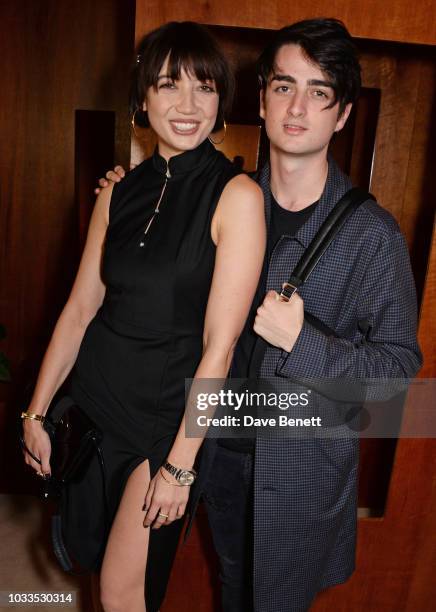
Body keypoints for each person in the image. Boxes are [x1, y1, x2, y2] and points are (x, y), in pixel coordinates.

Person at [97, 18, 422, 612]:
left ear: (342, 113)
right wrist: (125, 191)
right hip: (209, 451)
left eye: (319, 92)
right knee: (223, 587)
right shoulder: (223, 198)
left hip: (299, 472)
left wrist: (304, 340)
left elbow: (397, 377)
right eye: (282, 86)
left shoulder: (372, 237)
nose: (298, 107)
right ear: (262, 98)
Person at [20, 21, 265, 612]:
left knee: (123, 591)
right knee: (90, 561)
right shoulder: (118, 191)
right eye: (167, 85)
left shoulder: (237, 197)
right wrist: (38, 409)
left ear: (222, 100)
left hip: (162, 422)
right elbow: (80, 308)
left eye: (204, 88)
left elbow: (220, 348)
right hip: (95, 405)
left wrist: (181, 464)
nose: (187, 106)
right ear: (142, 98)